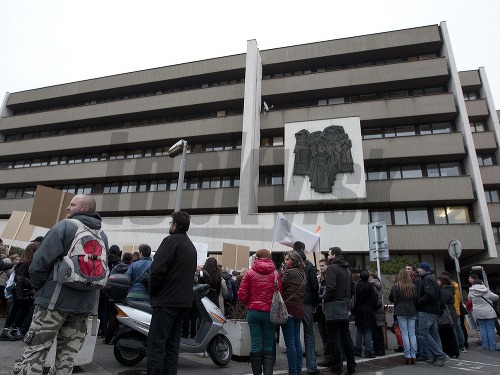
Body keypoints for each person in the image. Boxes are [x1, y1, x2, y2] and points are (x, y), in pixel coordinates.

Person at [13, 194, 109, 375]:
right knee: (67, 356)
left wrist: (41, 289)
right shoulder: (101, 235)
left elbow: (39, 263)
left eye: (72, 205)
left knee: (37, 350)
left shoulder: (65, 227)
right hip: (83, 305)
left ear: (85, 209)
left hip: (53, 302)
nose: (67, 208)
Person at [147, 211, 197, 375]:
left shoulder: (170, 241)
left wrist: (153, 292)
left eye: (170, 223)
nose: (170, 225)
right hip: (182, 303)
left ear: (175, 225)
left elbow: (156, 270)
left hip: (165, 301)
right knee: (172, 348)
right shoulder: (191, 246)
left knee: (156, 346)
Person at [237, 249, 280, 375]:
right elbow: (279, 293)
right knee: (268, 344)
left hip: (253, 311)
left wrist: (249, 304)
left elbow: (241, 294)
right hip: (269, 312)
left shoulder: (249, 273)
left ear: (257, 257)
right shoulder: (275, 274)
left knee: (255, 344)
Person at [324, 247, 356, 375]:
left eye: (329, 253)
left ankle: (337, 367)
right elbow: (353, 288)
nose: (327, 255)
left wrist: (324, 300)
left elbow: (330, 289)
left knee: (334, 338)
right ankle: (351, 366)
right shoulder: (347, 269)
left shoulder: (332, 268)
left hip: (334, 305)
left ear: (334, 255)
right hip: (345, 305)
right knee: (346, 337)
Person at [0, 243, 40, 341]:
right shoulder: (24, 263)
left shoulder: (28, 262)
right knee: (15, 311)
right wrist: (19, 294)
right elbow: (19, 279)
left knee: (23, 311)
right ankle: (6, 331)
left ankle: (14, 329)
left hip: (27, 292)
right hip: (22, 291)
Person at [293, 241, 320, 375]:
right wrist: (316, 303)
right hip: (307, 303)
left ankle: (295, 368)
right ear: (303, 249)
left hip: (293, 303)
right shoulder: (309, 265)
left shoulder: (289, 264)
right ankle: (312, 367)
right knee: (309, 334)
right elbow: (315, 286)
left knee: (294, 335)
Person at [416, 262, 449, 367]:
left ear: (424, 269)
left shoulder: (426, 279)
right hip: (434, 310)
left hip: (427, 310)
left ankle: (440, 355)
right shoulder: (432, 279)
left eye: (419, 268)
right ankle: (436, 356)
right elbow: (437, 295)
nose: (418, 270)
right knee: (434, 334)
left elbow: (429, 294)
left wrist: (419, 302)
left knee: (424, 333)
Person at [281, 250, 306, 375]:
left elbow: (280, 285)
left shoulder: (289, 272)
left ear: (293, 260)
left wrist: (282, 272)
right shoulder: (302, 272)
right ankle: (298, 371)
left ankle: (293, 372)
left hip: (289, 308)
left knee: (290, 342)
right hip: (299, 308)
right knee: (297, 341)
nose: (285, 262)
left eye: (287, 259)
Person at [389, 269, 417, 365]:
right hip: (411, 310)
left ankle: (407, 355)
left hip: (400, 310)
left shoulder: (397, 286)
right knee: (412, 333)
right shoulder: (413, 286)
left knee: (404, 334)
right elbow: (415, 299)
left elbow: (392, 298)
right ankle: (413, 355)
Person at [467, 278, 499, 351]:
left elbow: (470, 300)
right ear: (482, 283)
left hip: (477, 312)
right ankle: (493, 346)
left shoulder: (471, 292)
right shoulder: (487, 291)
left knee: (482, 329)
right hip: (488, 312)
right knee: (490, 329)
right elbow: (495, 298)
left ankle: (485, 346)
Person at [353, 271, 379, 358]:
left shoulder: (357, 286)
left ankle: (358, 350)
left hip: (359, 310)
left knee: (359, 330)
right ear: (368, 277)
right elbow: (374, 299)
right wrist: (373, 307)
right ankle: (368, 351)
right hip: (369, 310)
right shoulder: (370, 286)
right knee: (368, 331)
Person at [441, 271, 466, 352]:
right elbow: (459, 299)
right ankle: (462, 346)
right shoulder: (456, 286)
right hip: (456, 309)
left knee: (452, 328)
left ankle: (455, 346)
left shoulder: (446, 288)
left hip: (449, 310)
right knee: (458, 327)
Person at [436, 275, 460, 358]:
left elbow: (442, 302)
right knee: (449, 333)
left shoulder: (444, 291)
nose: (437, 282)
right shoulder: (449, 290)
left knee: (446, 333)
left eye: (438, 280)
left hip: (446, 314)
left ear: (442, 281)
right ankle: (453, 351)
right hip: (450, 312)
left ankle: (450, 351)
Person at [316, 258, 331, 367]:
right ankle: (328, 357)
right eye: (320, 266)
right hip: (320, 309)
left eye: (323, 266)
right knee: (324, 335)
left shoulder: (330, 279)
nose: (321, 268)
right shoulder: (320, 279)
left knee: (328, 335)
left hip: (328, 309)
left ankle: (330, 358)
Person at [368, 270, 385, 356]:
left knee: (374, 330)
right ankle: (382, 349)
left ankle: (377, 349)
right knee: (380, 329)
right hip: (380, 307)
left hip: (374, 308)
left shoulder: (371, 284)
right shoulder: (379, 284)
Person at [0, 244, 14, 318]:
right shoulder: (7, 260)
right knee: (3, 299)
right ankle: (2, 313)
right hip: (2, 282)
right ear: (5, 251)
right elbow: (10, 273)